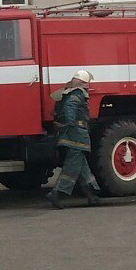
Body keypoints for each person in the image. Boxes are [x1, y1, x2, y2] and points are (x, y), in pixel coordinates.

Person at [46, 69, 102, 209]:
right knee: (73, 165)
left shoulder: (67, 92)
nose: (89, 86)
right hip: (76, 134)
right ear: (83, 83)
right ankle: (57, 193)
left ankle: (91, 195)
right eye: (87, 83)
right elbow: (70, 108)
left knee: (82, 165)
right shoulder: (78, 94)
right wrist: (70, 123)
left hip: (72, 134)